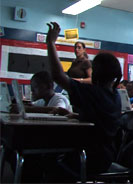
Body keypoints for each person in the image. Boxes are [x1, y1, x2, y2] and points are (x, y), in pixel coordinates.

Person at [46, 22, 122, 177]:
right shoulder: (115, 95)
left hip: (88, 158)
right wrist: (76, 116)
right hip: (103, 156)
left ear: (96, 73)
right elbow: (99, 119)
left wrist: (51, 43)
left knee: (46, 159)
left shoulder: (92, 92)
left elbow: (58, 76)